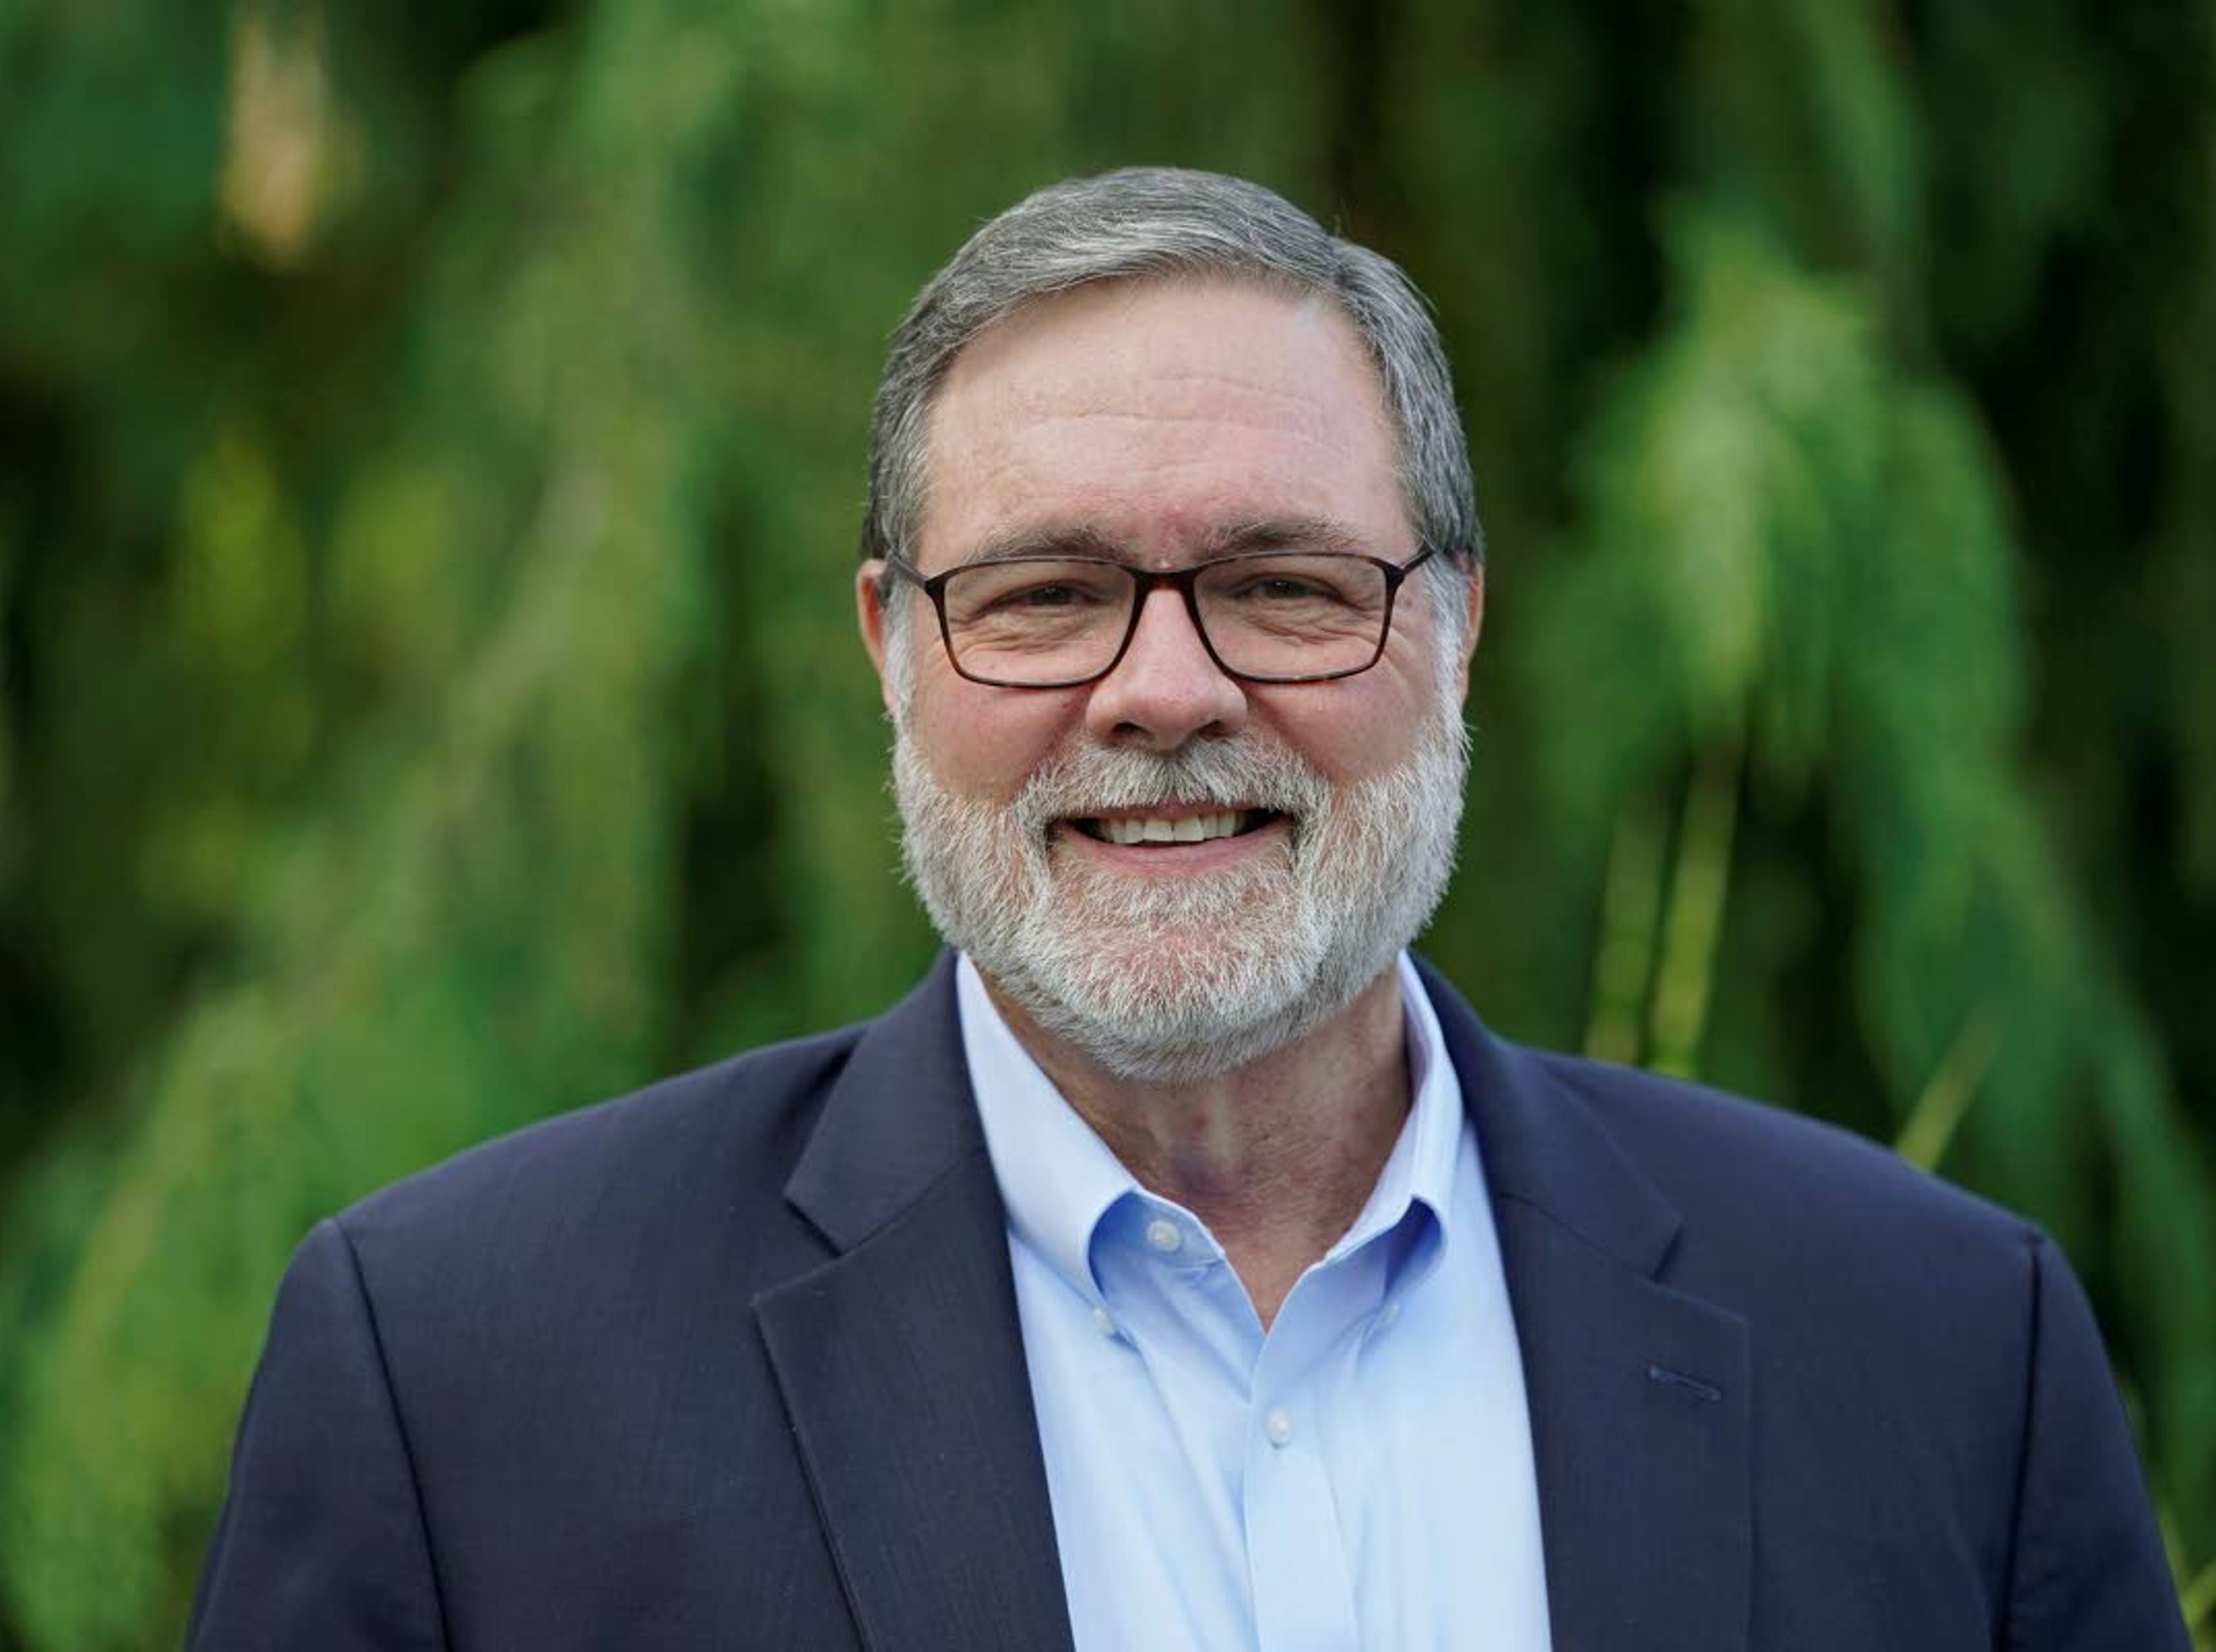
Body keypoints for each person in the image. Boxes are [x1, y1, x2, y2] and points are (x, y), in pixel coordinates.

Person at [190, 168, 2186, 1651]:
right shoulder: (462, 1382)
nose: (1164, 692)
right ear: (893, 649)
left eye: (1288, 586)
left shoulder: (1939, 1356)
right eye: (1047, 592)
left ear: (1459, 629)